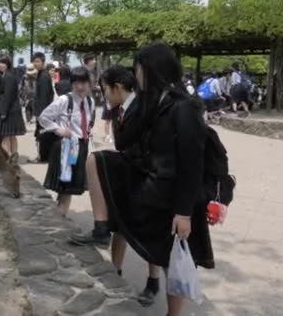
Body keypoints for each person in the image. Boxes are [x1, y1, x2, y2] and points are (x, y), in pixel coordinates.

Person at [69, 43, 214, 316]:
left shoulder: (185, 107)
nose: (135, 76)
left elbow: (192, 164)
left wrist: (184, 212)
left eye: (137, 69)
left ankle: (174, 313)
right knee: (100, 160)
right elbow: (123, 142)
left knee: (175, 257)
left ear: (151, 69)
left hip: (175, 195)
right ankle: (103, 230)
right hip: (151, 186)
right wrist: (116, 108)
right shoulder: (151, 103)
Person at [39, 66, 95, 216]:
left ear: (89, 83)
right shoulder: (65, 100)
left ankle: (58, 217)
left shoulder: (90, 102)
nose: (80, 86)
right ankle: (60, 221)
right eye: (76, 82)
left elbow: (89, 125)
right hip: (66, 147)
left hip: (81, 147)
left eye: (83, 82)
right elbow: (43, 117)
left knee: (66, 190)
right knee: (66, 190)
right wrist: (58, 129)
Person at [0, 55, 27, 155]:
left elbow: (7, 96)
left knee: (5, 136)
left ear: (8, 64)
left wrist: (3, 112)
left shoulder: (7, 77)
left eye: (3, 63)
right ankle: (14, 155)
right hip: (12, 110)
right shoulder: (8, 75)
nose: (0, 65)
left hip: (8, 111)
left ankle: (6, 158)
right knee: (11, 136)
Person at [32, 52, 55, 162]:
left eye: (38, 61)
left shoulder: (44, 76)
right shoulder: (41, 74)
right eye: (34, 61)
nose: (35, 63)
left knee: (42, 135)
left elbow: (44, 97)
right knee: (41, 134)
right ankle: (43, 156)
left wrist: (40, 113)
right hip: (43, 110)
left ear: (43, 62)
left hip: (43, 111)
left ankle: (43, 157)